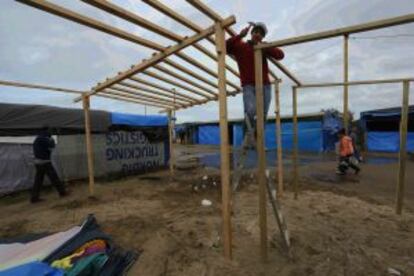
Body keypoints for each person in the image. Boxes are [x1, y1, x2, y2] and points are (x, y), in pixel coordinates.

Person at [226, 22, 284, 135]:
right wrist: (240, 35)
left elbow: (280, 55)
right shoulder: (241, 46)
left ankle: (258, 139)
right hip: (249, 85)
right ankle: (248, 135)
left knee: (263, 114)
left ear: (263, 37)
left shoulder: (263, 47)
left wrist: (264, 46)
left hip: (265, 85)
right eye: (256, 31)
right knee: (251, 110)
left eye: (261, 34)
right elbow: (225, 46)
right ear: (251, 33)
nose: (258, 34)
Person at [31, 127, 68, 203]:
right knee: (54, 178)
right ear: (46, 132)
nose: (50, 133)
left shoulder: (38, 138)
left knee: (38, 181)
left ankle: (34, 198)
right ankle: (62, 193)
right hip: (44, 162)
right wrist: (52, 139)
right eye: (50, 132)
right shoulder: (43, 138)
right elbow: (52, 145)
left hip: (38, 163)